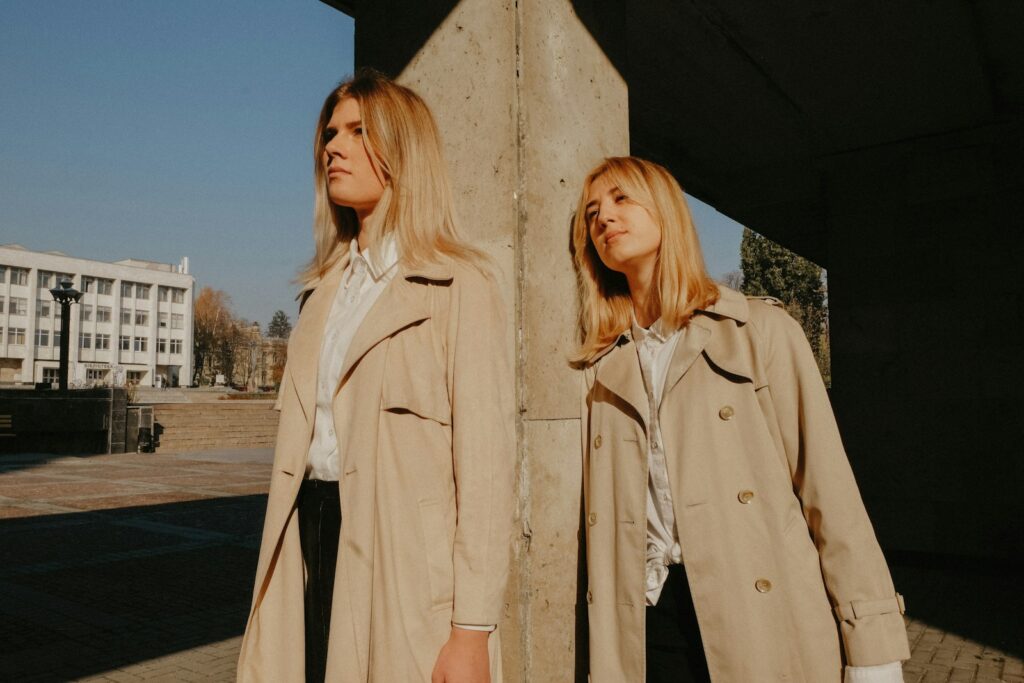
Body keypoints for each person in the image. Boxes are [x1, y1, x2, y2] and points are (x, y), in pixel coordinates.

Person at [572, 156, 910, 682]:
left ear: (665, 210)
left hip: (760, 619)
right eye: (592, 212)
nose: (604, 219)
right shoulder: (599, 366)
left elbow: (829, 492)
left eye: (621, 199)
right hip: (647, 626)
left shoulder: (760, 331)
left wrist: (873, 646)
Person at [236, 69, 515, 683]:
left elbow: (488, 476)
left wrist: (471, 630)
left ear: (402, 148)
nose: (332, 145)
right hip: (309, 547)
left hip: (405, 574)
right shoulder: (319, 298)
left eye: (357, 131)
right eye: (330, 132)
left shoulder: (459, 285)